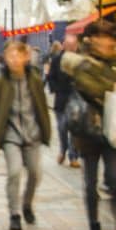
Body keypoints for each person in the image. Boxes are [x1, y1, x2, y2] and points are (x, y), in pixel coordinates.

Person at [62, 20, 116, 230]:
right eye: (103, 37)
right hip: (89, 129)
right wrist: (113, 85)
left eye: (111, 38)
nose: (108, 42)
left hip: (115, 129)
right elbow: (90, 87)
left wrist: (112, 84)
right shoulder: (82, 61)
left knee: (115, 181)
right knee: (90, 183)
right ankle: (94, 227)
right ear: (92, 39)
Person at [0, 40, 51, 230]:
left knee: (34, 172)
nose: (14, 60)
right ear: (4, 58)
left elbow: (42, 106)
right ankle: (14, 213)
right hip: (10, 134)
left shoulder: (35, 80)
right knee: (14, 172)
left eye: (18, 55)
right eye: (9, 56)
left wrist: (46, 130)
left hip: (32, 133)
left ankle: (27, 203)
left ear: (26, 57)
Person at [47, 33, 81, 168]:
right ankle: (63, 149)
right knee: (62, 127)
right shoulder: (56, 59)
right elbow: (51, 77)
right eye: (69, 45)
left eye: (73, 46)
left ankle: (73, 156)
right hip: (61, 99)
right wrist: (56, 89)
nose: (71, 48)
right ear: (64, 45)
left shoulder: (80, 60)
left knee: (75, 129)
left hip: (76, 99)